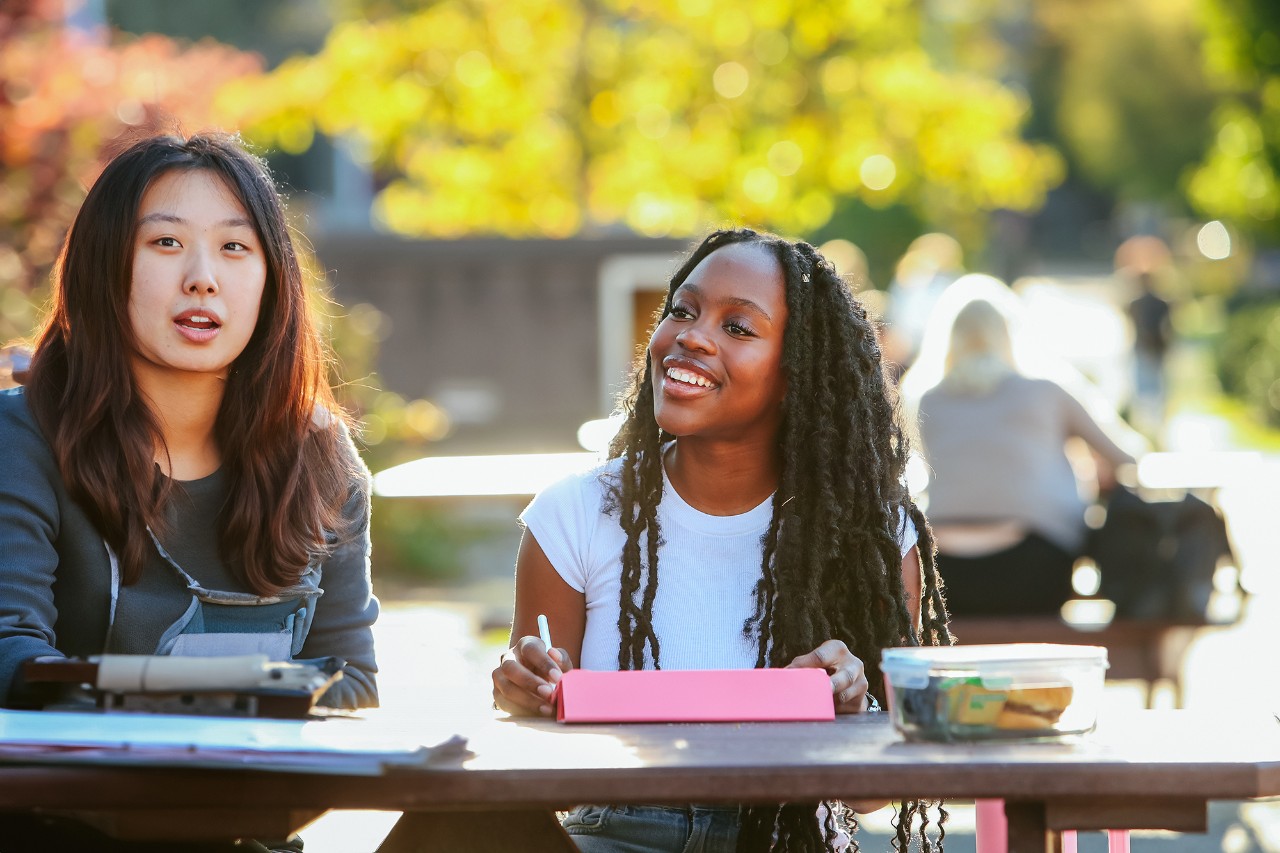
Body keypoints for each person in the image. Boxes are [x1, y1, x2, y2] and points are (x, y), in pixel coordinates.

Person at [491, 228, 950, 853]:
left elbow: (872, 793)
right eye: (683, 309)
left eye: (738, 327)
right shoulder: (573, 516)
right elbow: (542, 778)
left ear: (796, 375)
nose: (692, 335)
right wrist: (524, 699)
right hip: (613, 834)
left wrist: (850, 711)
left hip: (784, 837)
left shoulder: (869, 534)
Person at [0, 132, 379, 850]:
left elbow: (353, 679)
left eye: (236, 248)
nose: (203, 278)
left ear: (273, 280)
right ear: (104, 267)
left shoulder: (321, 456)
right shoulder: (21, 438)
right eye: (166, 244)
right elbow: (7, 657)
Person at [905, 277, 1139, 619]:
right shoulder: (1047, 391)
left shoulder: (928, 400)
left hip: (947, 577)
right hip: (1037, 570)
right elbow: (1126, 458)